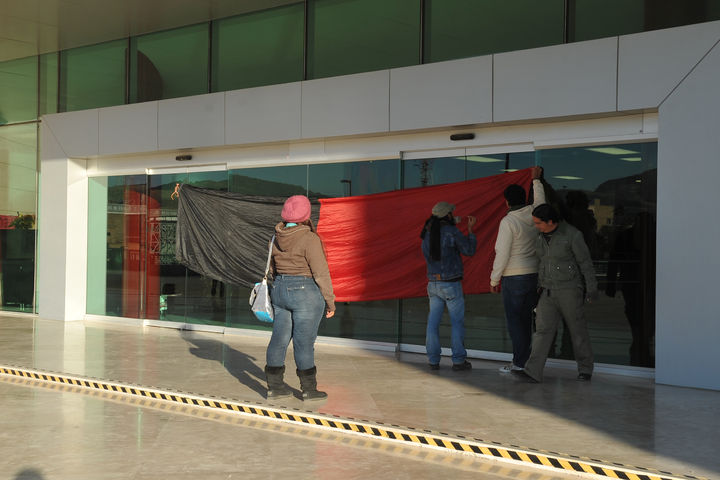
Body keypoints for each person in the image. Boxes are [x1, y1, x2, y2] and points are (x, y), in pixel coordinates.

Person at [515, 203, 598, 383]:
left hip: (569, 290)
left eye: (539, 223)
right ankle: (533, 372)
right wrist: (538, 287)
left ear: (551, 221)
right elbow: (542, 262)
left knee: (577, 330)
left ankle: (585, 369)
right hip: (547, 291)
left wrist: (591, 288)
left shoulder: (572, 235)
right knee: (542, 331)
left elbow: (585, 263)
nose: (536, 226)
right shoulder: (540, 236)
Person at [264, 195, 336, 400]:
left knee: (278, 340)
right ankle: (309, 390)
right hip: (305, 293)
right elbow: (320, 273)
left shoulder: (275, 237)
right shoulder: (309, 239)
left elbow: (271, 269)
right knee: (304, 343)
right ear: (306, 215)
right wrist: (330, 301)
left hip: (280, 290)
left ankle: (275, 388)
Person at [490, 166, 545, 373]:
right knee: (527, 320)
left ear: (506, 202)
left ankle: (520, 363)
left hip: (513, 277)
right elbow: (541, 202)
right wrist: (536, 181)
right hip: (533, 274)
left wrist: (494, 279)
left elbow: (502, 253)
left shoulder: (508, 221)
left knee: (515, 322)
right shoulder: (535, 213)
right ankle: (527, 361)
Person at [420, 202, 477, 371]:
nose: (454, 214)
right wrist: (470, 231)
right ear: (447, 215)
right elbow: (469, 250)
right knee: (457, 322)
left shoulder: (427, 232)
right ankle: (458, 361)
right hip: (450, 283)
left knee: (433, 322)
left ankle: (433, 360)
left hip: (433, 283)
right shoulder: (451, 231)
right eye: (452, 212)